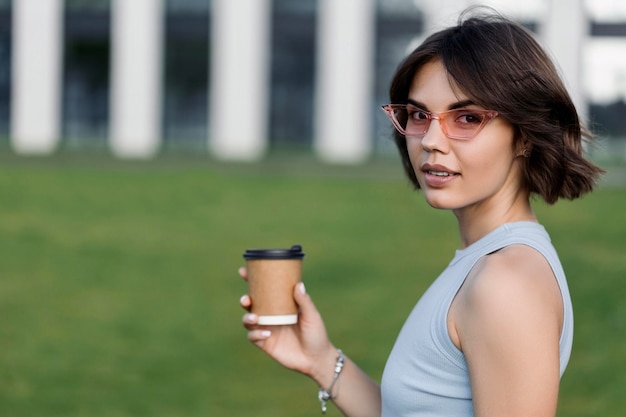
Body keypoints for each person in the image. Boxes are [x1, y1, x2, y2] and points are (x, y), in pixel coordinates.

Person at [238, 8, 604, 417]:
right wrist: (321, 360)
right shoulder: (484, 261)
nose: (431, 140)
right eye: (418, 114)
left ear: (524, 135)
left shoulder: (504, 283)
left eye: (467, 118)